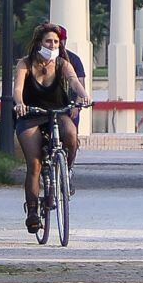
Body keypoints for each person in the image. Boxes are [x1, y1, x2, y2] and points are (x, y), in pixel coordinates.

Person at [13, 23, 91, 233]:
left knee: (71, 135)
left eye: (56, 42)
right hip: (31, 115)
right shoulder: (25, 64)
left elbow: (74, 81)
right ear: (39, 42)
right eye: (48, 41)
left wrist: (83, 95)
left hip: (57, 112)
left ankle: (67, 170)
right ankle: (32, 211)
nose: (52, 45)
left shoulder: (62, 64)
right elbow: (18, 88)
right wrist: (20, 103)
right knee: (35, 165)